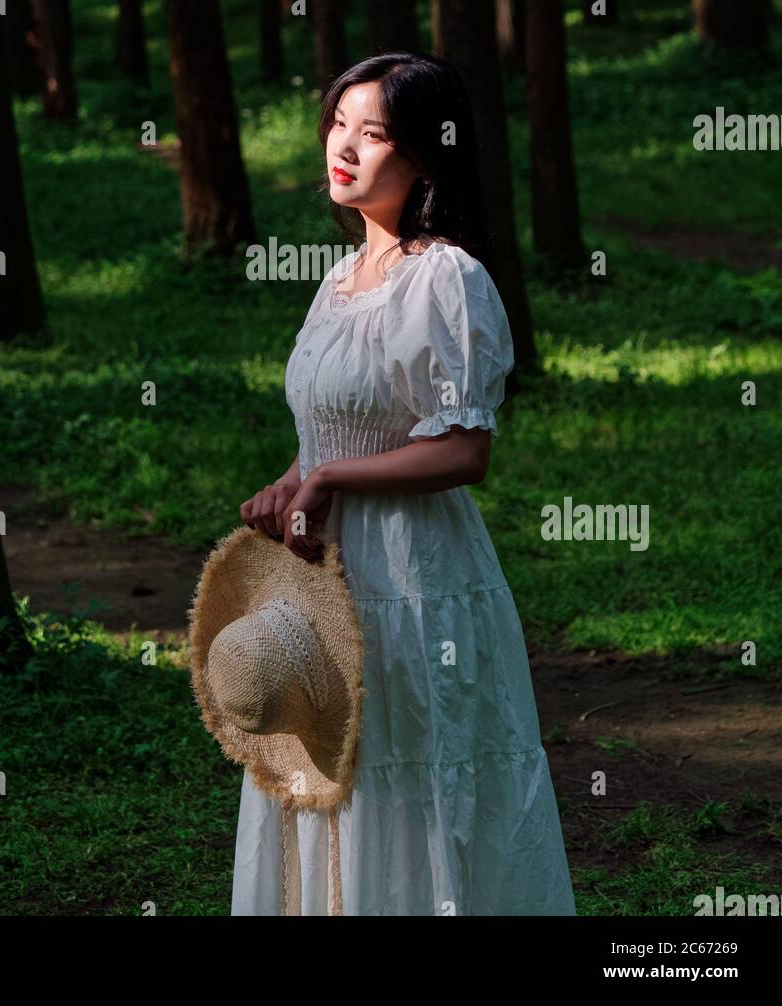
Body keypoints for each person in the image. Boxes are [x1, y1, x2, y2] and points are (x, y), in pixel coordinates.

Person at [235, 51, 576, 916]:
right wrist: (290, 484)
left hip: (412, 576)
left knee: (410, 767)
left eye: (373, 132)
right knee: (329, 766)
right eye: (337, 126)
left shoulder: (445, 277)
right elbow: (330, 430)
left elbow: (463, 449)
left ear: (424, 155)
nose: (343, 148)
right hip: (324, 578)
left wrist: (332, 478)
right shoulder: (338, 282)